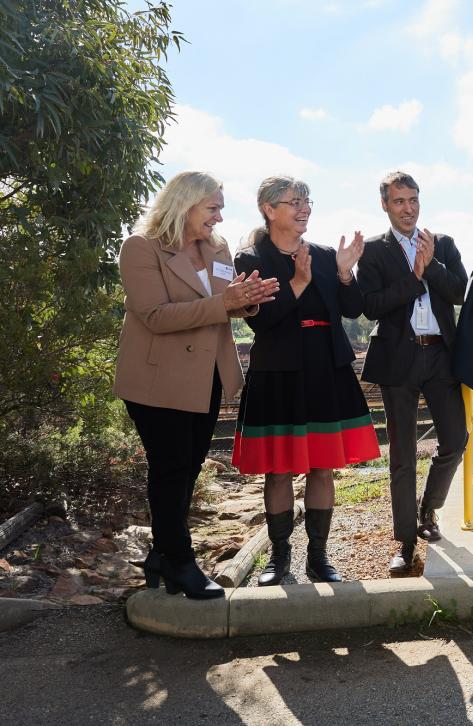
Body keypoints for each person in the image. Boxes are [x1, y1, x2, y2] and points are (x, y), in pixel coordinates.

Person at [114, 171, 279, 599]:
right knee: (170, 468)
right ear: (184, 205)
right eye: (213, 208)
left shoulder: (218, 248)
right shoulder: (140, 248)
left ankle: (160, 554)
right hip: (157, 379)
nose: (220, 218)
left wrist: (247, 301)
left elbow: (224, 307)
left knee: (187, 468)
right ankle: (180, 562)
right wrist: (223, 303)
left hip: (207, 376)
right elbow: (154, 315)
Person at [232, 175, 381, 586]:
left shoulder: (324, 254)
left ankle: (319, 557)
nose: (304, 208)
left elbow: (353, 310)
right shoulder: (250, 259)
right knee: (278, 471)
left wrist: (346, 273)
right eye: (294, 201)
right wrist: (298, 282)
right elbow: (262, 323)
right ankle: (278, 560)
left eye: (307, 200)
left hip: (325, 368)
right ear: (269, 209)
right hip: (277, 371)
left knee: (322, 468)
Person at [357, 171, 468, 574]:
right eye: (399, 201)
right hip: (398, 361)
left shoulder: (444, 244)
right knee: (402, 454)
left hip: (441, 356)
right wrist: (414, 278)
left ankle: (428, 511)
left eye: (414, 200)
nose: (408, 208)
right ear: (385, 205)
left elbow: (459, 291)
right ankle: (405, 542)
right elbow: (371, 305)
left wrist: (432, 265)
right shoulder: (372, 252)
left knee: (456, 440)